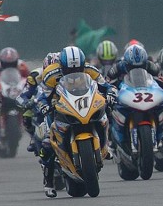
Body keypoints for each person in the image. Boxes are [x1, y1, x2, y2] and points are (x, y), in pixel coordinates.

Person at [36, 46, 114, 197]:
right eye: (70, 70)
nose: (74, 72)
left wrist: (111, 93)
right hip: (59, 109)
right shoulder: (51, 74)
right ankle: (48, 182)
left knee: (105, 115)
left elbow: (106, 85)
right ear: (62, 66)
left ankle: (108, 146)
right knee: (46, 142)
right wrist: (43, 106)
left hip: (85, 104)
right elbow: (41, 95)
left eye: (78, 68)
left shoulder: (90, 70)